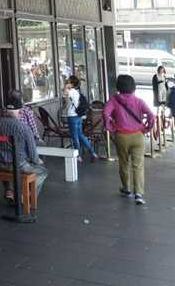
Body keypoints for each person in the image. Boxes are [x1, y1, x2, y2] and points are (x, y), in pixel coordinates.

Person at [103, 75, 156, 205]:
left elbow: (105, 113)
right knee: (138, 166)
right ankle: (138, 193)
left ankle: (126, 189)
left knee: (124, 163)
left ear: (118, 87)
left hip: (121, 136)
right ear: (133, 87)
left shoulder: (114, 100)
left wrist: (111, 127)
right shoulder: (139, 101)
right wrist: (147, 129)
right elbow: (151, 115)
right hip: (138, 136)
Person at [0, 102, 48, 203]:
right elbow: (33, 155)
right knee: (42, 172)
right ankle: (24, 197)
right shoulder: (24, 128)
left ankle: (10, 190)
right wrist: (38, 161)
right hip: (19, 165)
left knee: (8, 170)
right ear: (19, 112)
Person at [63, 75, 97, 162]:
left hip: (72, 116)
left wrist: (66, 86)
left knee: (75, 137)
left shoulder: (71, 91)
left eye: (69, 81)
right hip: (78, 116)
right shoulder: (78, 92)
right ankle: (92, 152)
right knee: (80, 135)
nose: (67, 81)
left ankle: (78, 156)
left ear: (72, 83)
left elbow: (64, 94)